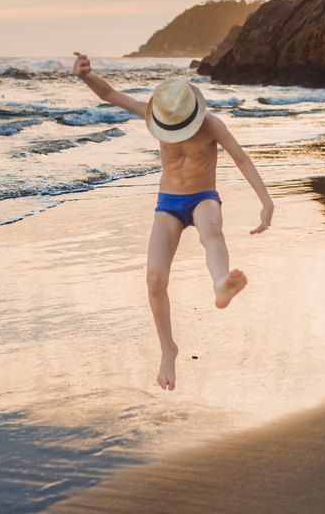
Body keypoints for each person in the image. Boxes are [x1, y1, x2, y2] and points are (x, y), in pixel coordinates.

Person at [72, 52, 273, 390]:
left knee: (211, 232)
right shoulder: (156, 117)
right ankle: (168, 349)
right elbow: (110, 95)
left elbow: (242, 159)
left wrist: (266, 202)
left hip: (202, 197)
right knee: (154, 278)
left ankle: (222, 283)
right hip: (168, 203)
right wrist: (85, 75)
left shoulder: (211, 125)